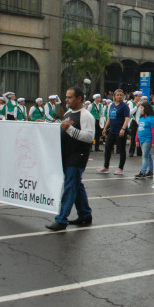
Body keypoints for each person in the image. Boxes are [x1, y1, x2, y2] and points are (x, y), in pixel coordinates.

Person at [45, 86, 95, 231]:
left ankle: (61, 220)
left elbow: (89, 137)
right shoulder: (68, 113)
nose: (66, 100)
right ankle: (85, 215)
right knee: (76, 186)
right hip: (67, 155)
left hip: (77, 157)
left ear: (79, 99)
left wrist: (70, 129)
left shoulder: (86, 116)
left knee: (70, 187)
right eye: (66, 97)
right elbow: (63, 129)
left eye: (69, 97)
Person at [98, 89, 130, 175]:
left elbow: (127, 118)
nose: (119, 96)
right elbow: (109, 117)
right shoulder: (112, 105)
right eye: (117, 95)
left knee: (121, 150)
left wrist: (123, 129)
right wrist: (105, 128)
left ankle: (120, 168)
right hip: (112, 131)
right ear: (114, 96)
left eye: (121, 95)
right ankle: (106, 167)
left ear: (123, 96)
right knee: (107, 147)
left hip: (120, 131)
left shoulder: (124, 106)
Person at [135, 103, 154, 180]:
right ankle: (151, 171)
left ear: (146, 109)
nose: (141, 110)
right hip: (141, 139)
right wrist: (137, 139)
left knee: (145, 156)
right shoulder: (141, 118)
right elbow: (138, 129)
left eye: (142, 108)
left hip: (148, 139)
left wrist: (153, 142)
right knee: (148, 155)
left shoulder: (152, 119)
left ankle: (143, 172)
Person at [127, 91, 142, 157]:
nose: (140, 97)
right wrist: (136, 106)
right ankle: (131, 152)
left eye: (140, 96)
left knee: (139, 136)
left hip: (139, 121)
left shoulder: (140, 104)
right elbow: (130, 112)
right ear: (135, 96)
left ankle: (139, 152)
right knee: (133, 137)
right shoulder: (131, 103)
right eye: (138, 96)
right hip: (133, 121)